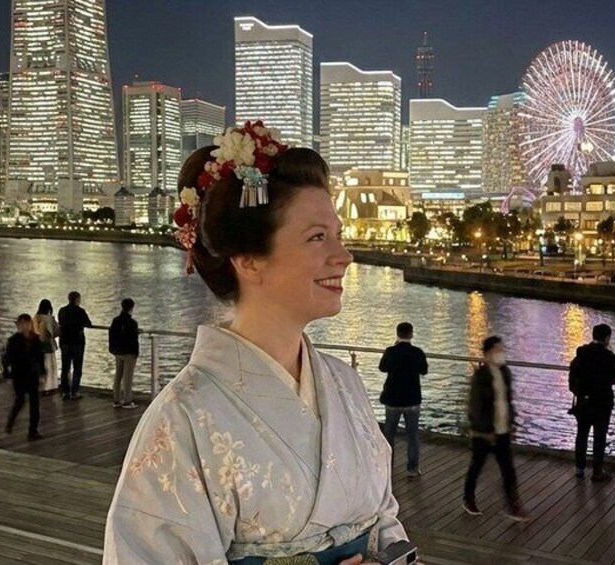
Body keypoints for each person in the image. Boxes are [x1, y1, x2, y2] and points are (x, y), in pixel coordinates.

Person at [104, 123, 408, 564]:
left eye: (337, 235)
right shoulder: (182, 418)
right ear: (247, 260)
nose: (343, 256)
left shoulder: (345, 384)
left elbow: (383, 520)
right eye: (317, 237)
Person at [462, 336, 528, 521]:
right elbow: (476, 406)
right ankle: (468, 498)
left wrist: (511, 423)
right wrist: (485, 430)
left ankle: (513, 505)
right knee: (477, 465)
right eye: (498, 350)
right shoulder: (480, 377)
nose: (501, 353)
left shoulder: (505, 372)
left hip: (502, 429)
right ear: (488, 353)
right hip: (484, 432)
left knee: (508, 469)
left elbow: (507, 400)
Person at [569, 323, 615, 482]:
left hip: (584, 401)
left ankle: (579, 468)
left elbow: (573, 375)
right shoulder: (608, 356)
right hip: (602, 402)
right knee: (599, 436)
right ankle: (597, 471)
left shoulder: (581, 353)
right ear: (607, 338)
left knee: (582, 434)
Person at [378, 321, 429, 478]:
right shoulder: (417, 352)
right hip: (412, 399)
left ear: (397, 334)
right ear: (411, 334)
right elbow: (424, 370)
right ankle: (412, 469)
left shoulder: (391, 351)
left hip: (392, 399)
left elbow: (382, 368)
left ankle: (387, 467)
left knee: (389, 435)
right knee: (412, 436)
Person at [3, 314, 46, 440]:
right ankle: (11, 419)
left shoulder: (36, 339)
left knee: (34, 403)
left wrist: (42, 373)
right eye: (21, 324)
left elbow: (40, 357)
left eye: (26, 323)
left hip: (32, 374)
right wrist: (7, 374)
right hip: (19, 374)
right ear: (18, 325)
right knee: (20, 400)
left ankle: (33, 431)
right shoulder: (13, 340)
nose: (24, 326)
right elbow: (7, 358)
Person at [57, 291, 92, 400]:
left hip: (64, 342)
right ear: (77, 299)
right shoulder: (80, 311)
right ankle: (74, 392)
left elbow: (60, 323)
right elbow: (88, 323)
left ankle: (65, 391)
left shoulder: (62, 310)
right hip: (77, 342)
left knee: (65, 367)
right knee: (77, 368)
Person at [108, 298, 140, 409]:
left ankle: (116, 399)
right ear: (132, 308)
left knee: (118, 375)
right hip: (129, 353)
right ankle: (127, 401)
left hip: (117, 351)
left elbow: (112, 334)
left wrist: (112, 349)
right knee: (127, 377)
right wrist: (136, 353)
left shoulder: (115, 320)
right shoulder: (132, 323)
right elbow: (133, 339)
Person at [33, 299, 60, 395]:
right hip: (49, 345)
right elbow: (57, 331)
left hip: (37, 345)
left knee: (41, 366)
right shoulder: (50, 319)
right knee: (50, 366)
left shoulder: (35, 318)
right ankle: (50, 386)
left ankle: (40, 387)